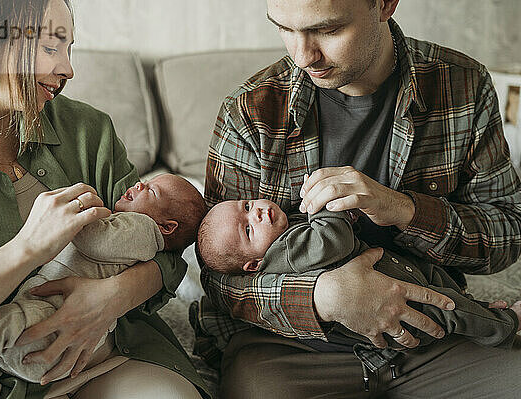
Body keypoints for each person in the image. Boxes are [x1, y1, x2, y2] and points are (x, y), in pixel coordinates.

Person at [194, 0, 521, 397]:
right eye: (283, 28)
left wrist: (404, 209)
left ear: (384, 5)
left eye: (328, 30)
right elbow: (217, 275)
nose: (302, 57)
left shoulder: (462, 84)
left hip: (429, 328)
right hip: (289, 346)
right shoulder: (249, 110)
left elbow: (507, 234)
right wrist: (322, 298)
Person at [0, 1, 209, 398]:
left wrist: (110, 298)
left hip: (110, 354)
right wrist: (28, 248)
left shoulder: (89, 129)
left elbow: (166, 248)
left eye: (69, 49)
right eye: (52, 47)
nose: (68, 69)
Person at [0, 173, 206, 398]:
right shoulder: (132, 225)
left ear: (167, 227)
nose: (138, 185)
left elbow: (96, 241)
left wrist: (75, 215)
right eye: (143, 182)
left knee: (0, 326)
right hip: (47, 336)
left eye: (151, 191)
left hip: (55, 323)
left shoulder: (143, 229)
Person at [196, 197, 520, 364]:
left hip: (398, 270)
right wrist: (326, 205)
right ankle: (505, 325)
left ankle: (483, 308)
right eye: (249, 229)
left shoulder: (279, 234)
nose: (258, 214)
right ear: (253, 265)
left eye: (248, 206)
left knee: (444, 287)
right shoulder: (285, 252)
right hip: (397, 307)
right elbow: (333, 240)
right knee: (449, 308)